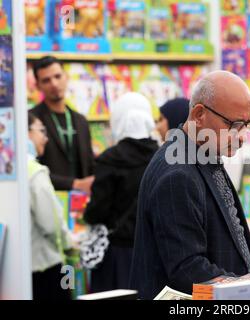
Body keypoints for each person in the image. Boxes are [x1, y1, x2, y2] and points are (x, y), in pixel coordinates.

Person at [130, 71, 250, 299]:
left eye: (248, 125)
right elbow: (187, 268)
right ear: (199, 114)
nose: (241, 136)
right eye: (235, 124)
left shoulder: (203, 154)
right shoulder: (177, 173)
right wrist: (247, 286)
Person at [83, 92, 159, 293]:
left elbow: (98, 210)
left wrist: (87, 215)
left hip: (118, 253)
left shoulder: (109, 159)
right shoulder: (162, 156)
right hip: (154, 251)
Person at [29, 56, 95, 193]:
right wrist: (75, 183)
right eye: (46, 80)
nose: (54, 84)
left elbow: (89, 165)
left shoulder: (81, 121)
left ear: (66, 77)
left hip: (81, 203)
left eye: (57, 76)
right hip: (47, 198)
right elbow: (31, 169)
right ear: (37, 85)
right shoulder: (31, 120)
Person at [27, 113, 72, 301]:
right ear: (26, 132)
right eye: (41, 131)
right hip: (46, 266)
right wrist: (69, 242)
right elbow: (51, 224)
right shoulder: (35, 172)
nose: (45, 138)